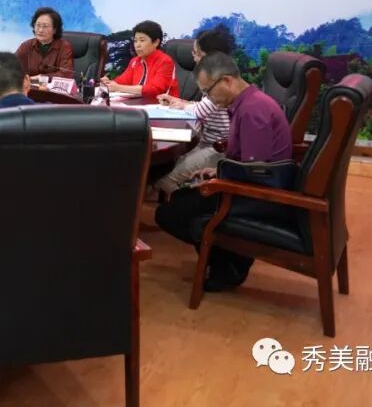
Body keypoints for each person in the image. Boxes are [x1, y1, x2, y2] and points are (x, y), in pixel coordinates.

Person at [154, 52, 292, 291]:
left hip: (261, 198)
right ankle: (226, 259)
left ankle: (229, 265)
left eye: (208, 91)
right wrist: (217, 172)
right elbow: (246, 162)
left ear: (227, 80)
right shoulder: (248, 102)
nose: (208, 98)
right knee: (181, 198)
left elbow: (255, 171)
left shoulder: (252, 110)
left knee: (170, 213)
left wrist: (221, 180)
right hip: (255, 184)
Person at [154, 24, 237, 195]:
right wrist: (181, 102)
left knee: (166, 180)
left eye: (196, 53)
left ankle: (185, 203)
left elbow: (199, 111)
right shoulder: (220, 75)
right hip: (207, 143)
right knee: (174, 164)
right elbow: (203, 106)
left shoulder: (221, 82)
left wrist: (183, 105)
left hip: (218, 148)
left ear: (208, 57)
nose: (193, 56)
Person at [101, 20, 178, 102]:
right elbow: (121, 81)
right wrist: (108, 83)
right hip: (138, 104)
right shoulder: (135, 61)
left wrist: (118, 87)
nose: (137, 45)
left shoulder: (165, 61)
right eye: (135, 41)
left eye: (142, 40)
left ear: (156, 42)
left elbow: (155, 90)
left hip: (162, 106)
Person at [15, 7, 75, 77]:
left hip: (52, 85)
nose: (40, 30)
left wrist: (41, 78)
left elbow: (66, 74)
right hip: (29, 84)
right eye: (38, 25)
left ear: (54, 29)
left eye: (45, 26)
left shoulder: (64, 47)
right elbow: (10, 65)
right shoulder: (26, 46)